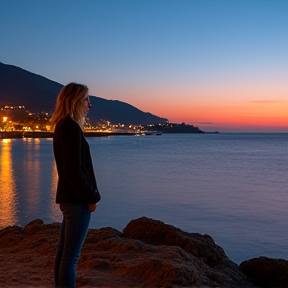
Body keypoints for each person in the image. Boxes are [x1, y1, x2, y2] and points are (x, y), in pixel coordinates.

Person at [50, 82, 101, 288]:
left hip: (68, 199)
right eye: (87, 99)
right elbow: (73, 170)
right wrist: (91, 197)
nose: (90, 104)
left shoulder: (62, 125)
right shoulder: (71, 127)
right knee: (70, 258)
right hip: (76, 201)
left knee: (63, 254)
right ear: (75, 101)